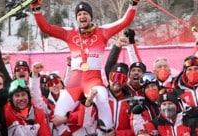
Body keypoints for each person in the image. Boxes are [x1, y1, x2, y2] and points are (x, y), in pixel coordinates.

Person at [30, 0, 140, 133]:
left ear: (91, 17)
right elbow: (46, 28)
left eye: (85, 14)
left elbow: (124, 21)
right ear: (76, 18)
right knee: (57, 114)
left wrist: (133, 3)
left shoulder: (102, 32)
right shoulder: (70, 33)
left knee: (101, 96)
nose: (82, 16)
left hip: (92, 80)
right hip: (74, 83)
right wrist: (36, 9)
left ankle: (108, 130)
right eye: (79, 14)